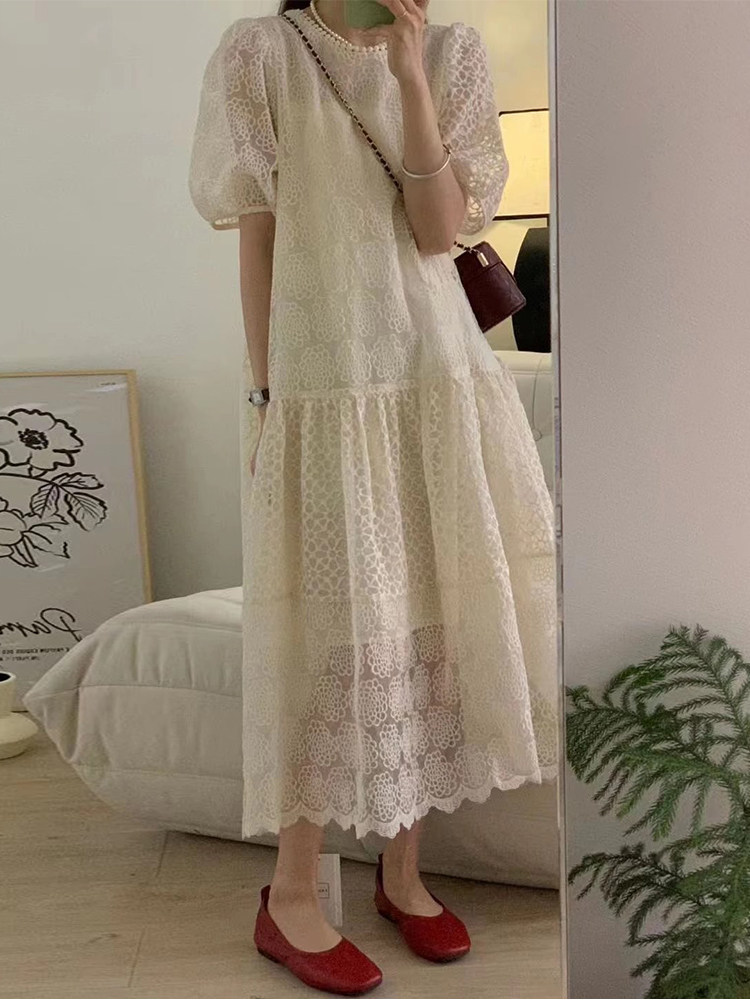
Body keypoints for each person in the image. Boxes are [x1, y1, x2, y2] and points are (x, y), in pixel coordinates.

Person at [188, 0, 558, 993]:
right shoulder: (260, 52)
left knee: (432, 618)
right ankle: (290, 894)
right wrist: (266, 396)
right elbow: (258, 237)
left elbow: (441, 231)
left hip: (437, 380)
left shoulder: (451, 52)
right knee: (326, 632)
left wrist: (409, 77)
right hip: (323, 389)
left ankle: (404, 874)